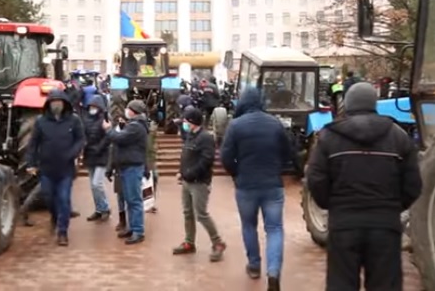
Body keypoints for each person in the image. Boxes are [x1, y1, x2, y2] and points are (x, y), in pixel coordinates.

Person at [306, 82, 422, 291]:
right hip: (385, 226)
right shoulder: (398, 136)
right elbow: (413, 184)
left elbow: (315, 179)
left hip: (344, 225)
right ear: (374, 103)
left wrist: (332, 205)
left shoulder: (329, 137)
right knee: (385, 285)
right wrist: (393, 207)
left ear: (347, 104)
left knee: (341, 283)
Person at [220, 87, 292, 291]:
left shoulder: (235, 125)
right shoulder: (275, 123)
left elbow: (225, 156)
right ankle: (274, 272)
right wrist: (279, 168)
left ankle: (253, 265)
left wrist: (236, 173)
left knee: (248, 225)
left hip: (246, 186)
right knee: (275, 229)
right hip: (272, 185)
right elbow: (288, 152)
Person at [25, 89, 85, 246]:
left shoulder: (74, 120)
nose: (56, 104)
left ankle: (62, 232)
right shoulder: (40, 121)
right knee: (49, 198)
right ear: (49, 104)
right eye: (53, 102)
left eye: (59, 101)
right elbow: (33, 144)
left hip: (65, 169)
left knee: (64, 200)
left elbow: (80, 140)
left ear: (64, 103)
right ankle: (54, 215)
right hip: (47, 169)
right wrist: (31, 163)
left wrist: (72, 153)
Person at [173, 107, 227, 262]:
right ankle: (189, 242)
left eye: (184, 121)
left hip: (199, 183)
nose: (183, 124)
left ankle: (218, 243)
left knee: (201, 214)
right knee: (187, 212)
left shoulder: (205, 138)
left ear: (192, 122)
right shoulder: (190, 136)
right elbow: (186, 156)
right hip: (186, 181)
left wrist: (190, 174)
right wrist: (181, 172)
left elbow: (206, 160)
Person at [102, 99, 150, 244]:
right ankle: (132, 227)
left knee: (134, 200)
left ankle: (138, 231)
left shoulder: (136, 127)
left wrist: (108, 129)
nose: (126, 111)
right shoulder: (135, 126)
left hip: (132, 167)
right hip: (128, 166)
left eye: (128, 109)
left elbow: (118, 138)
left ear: (133, 111)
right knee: (130, 200)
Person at [83, 95, 111, 222]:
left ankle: (105, 208)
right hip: (89, 155)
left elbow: (108, 138)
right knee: (92, 185)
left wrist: (99, 148)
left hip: (101, 155)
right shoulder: (85, 120)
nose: (93, 108)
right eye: (91, 106)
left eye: (95, 106)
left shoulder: (105, 120)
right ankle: (98, 209)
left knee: (97, 183)